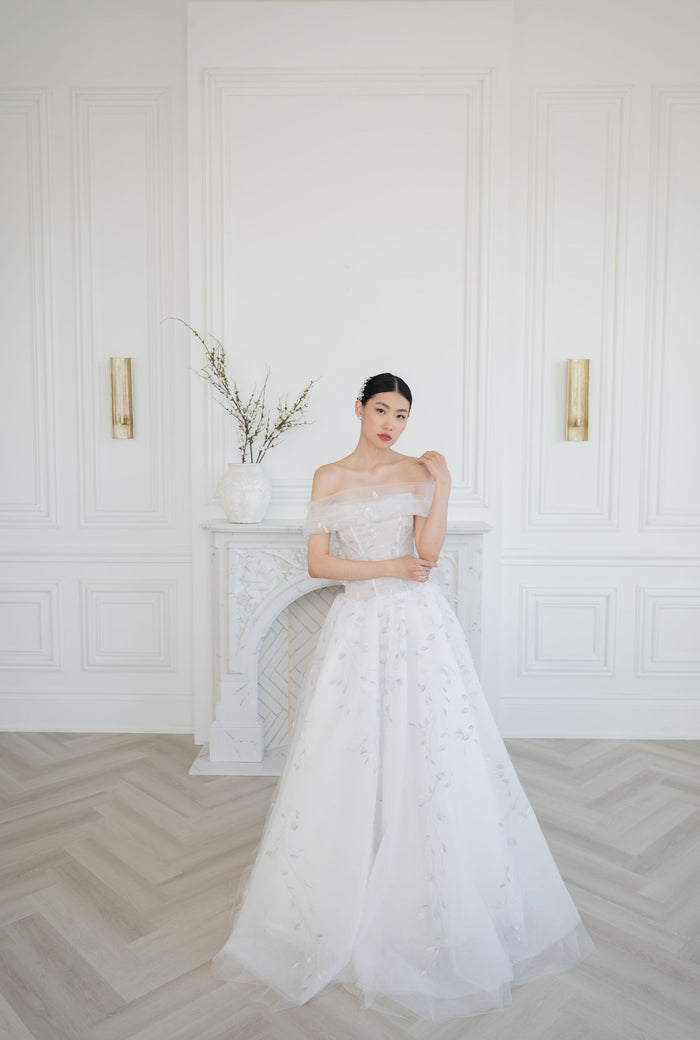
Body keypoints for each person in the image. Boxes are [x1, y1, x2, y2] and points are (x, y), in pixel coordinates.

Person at [212, 373, 594, 1021]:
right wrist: (386, 569)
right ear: (358, 409)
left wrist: (441, 486)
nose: (391, 422)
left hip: (421, 626)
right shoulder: (329, 476)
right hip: (360, 623)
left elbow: (428, 551)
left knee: (435, 750)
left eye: (403, 414)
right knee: (350, 751)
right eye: (382, 409)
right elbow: (318, 564)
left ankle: (433, 880)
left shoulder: (418, 469)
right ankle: (349, 880)